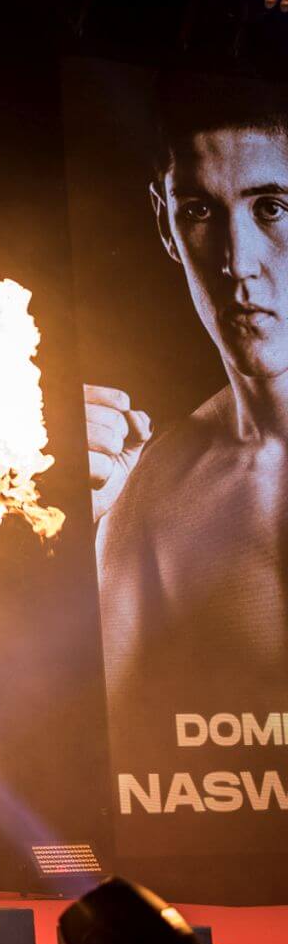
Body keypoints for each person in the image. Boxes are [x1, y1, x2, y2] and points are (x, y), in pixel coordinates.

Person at [87, 73, 288, 733]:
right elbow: (109, 748)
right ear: (165, 225)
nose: (237, 262)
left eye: (272, 208)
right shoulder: (147, 493)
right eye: (200, 211)